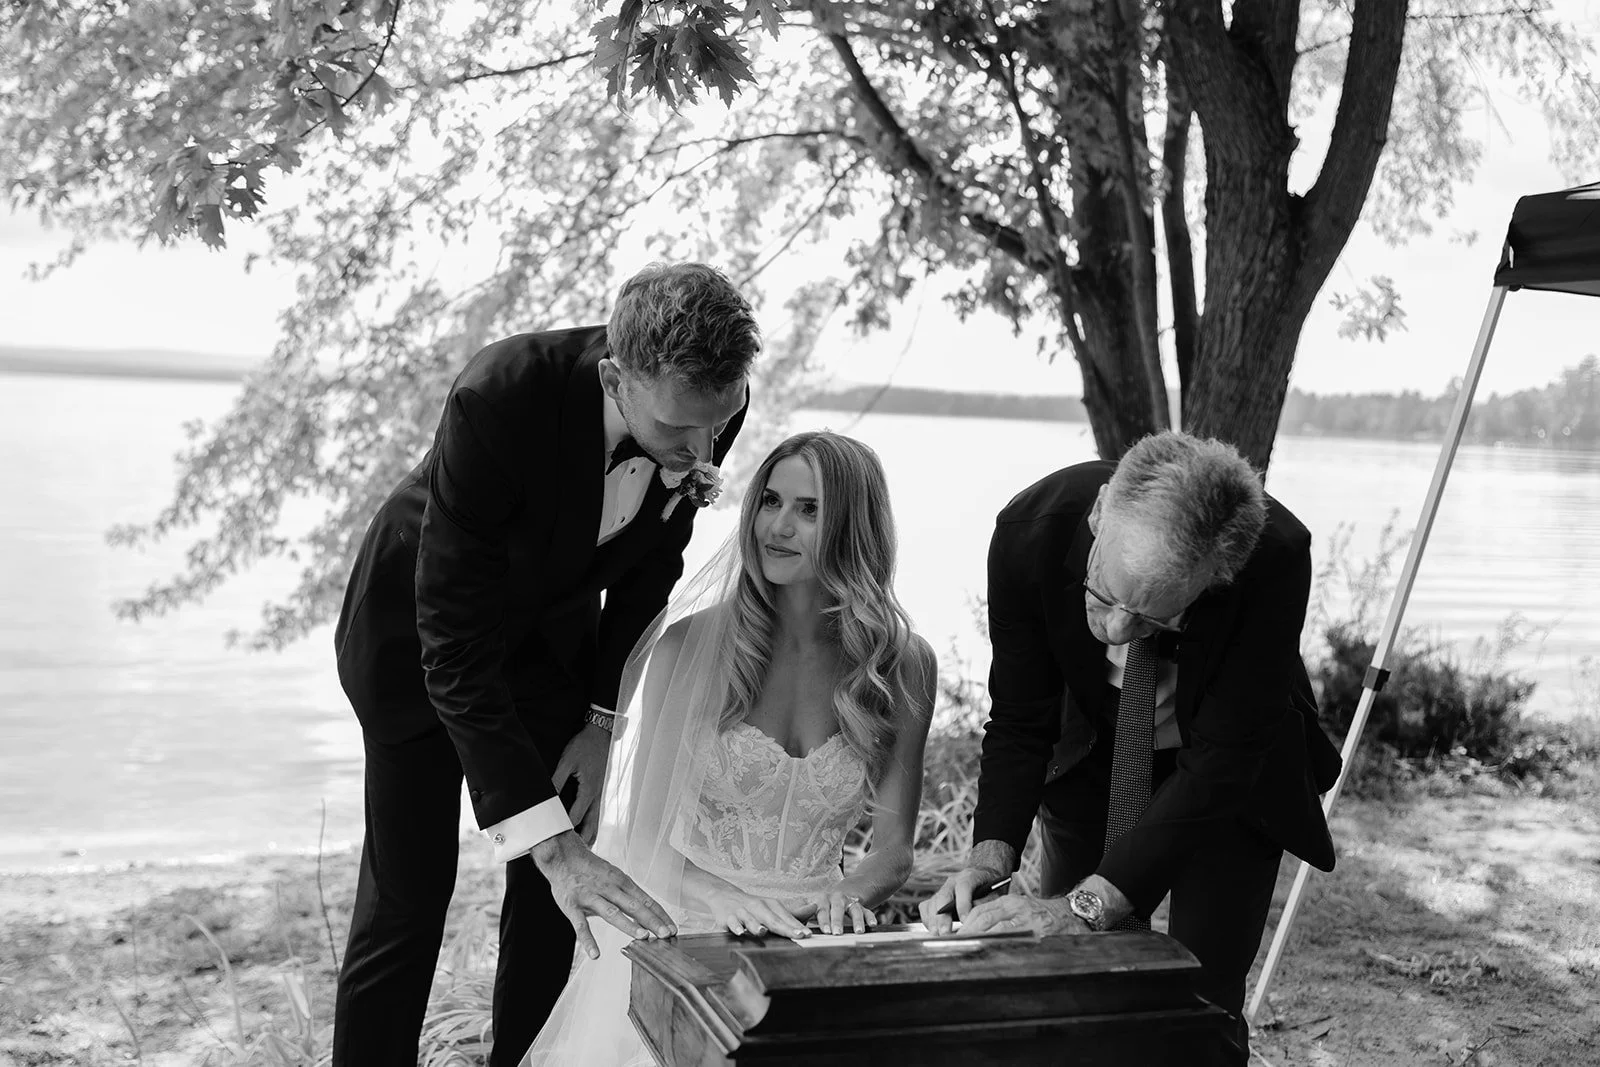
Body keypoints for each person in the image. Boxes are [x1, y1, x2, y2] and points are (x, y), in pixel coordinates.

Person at [330, 263, 760, 1066]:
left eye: (719, 422)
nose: (703, 450)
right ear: (614, 377)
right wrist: (551, 844)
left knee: (561, 900)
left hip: (549, 644)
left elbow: (646, 574)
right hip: (417, 638)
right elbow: (452, 644)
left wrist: (603, 720)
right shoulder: (499, 397)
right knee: (409, 899)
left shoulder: (702, 401)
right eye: (680, 431)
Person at [920, 431, 1342, 1065]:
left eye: (1152, 618)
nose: (1116, 629)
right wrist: (989, 857)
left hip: (1225, 777)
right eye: (1103, 593)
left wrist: (1089, 904)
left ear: (1214, 578)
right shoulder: (1030, 528)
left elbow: (1223, 762)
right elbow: (1020, 716)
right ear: (1098, 514)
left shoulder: (1273, 557)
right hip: (1093, 750)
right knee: (1072, 973)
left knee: (1202, 991)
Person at [523, 430, 937, 1066]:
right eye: (770, 500)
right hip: (686, 937)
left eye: (809, 509)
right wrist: (727, 902)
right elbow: (641, 838)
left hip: (812, 948)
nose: (778, 526)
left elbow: (893, 852)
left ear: (854, 527)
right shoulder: (686, 650)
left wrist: (842, 897)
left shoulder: (900, 665)